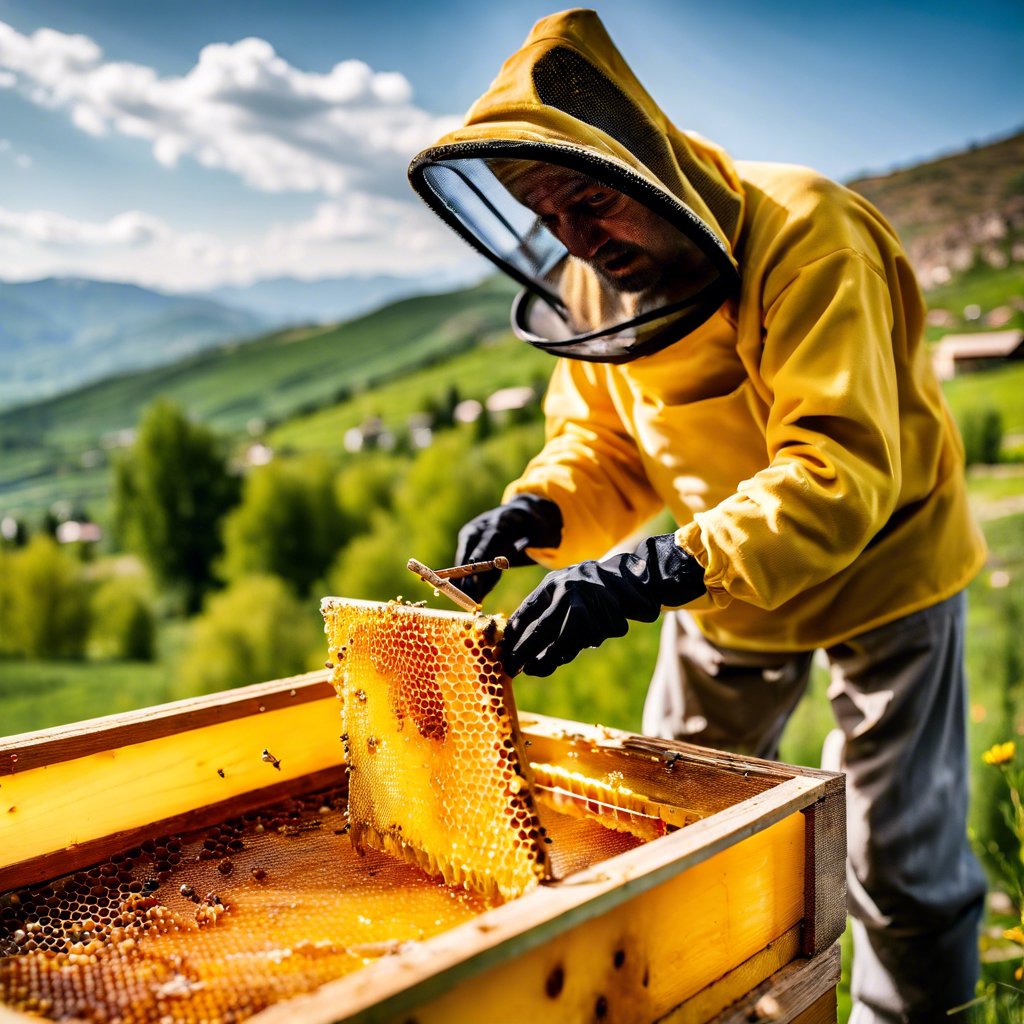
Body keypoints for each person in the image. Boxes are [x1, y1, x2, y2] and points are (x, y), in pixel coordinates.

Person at [407, 9, 987, 1022]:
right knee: (666, 837)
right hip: (720, 579)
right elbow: (606, 448)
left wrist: (649, 572)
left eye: (590, 202)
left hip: (883, 569)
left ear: (641, 164)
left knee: (901, 864)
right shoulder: (597, 283)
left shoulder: (810, 236)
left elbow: (840, 470)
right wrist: (535, 512)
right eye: (553, 219)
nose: (580, 241)